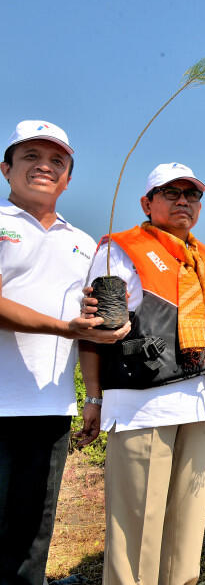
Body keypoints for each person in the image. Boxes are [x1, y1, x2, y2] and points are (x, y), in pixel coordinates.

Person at [79, 162, 205, 585]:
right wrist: (93, 397)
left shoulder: (204, 257)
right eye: (171, 192)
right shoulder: (119, 248)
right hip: (142, 404)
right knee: (137, 531)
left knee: (187, 531)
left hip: (201, 403)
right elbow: (93, 333)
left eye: (192, 194)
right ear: (147, 203)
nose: (184, 200)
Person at [0, 120, 129, 585]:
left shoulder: (81, 242)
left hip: (52, 404)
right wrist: (62, 327)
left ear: (69, 178)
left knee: (35, 528)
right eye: (31, 156)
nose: (44, 166)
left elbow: (86, 323)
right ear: (6, 169)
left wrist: (93, 393)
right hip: (2, 402)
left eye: (57, 160)